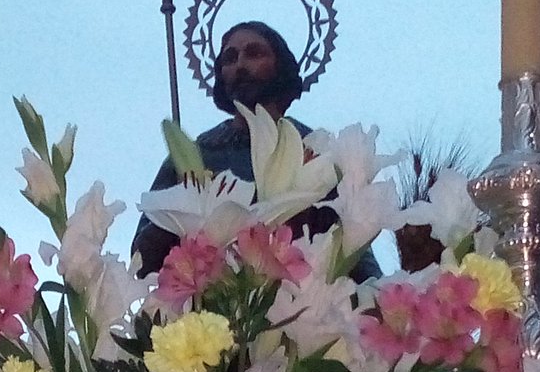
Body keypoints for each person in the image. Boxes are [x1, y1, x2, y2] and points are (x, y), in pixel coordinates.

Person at [132, 20, 381, 281]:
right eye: (230, 58)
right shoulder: (200, 153)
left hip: (303, 293)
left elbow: (351, 240)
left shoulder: (314, 150)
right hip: (218, 296)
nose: (240, 65)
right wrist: (184, 208)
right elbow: (142, 259)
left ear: (280, 65)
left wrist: (378, 293)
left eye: (254, 53)